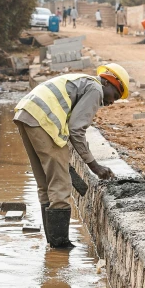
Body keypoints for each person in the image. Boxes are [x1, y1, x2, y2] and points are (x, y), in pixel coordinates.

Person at [13, 64, 130, 248]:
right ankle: (60, 248)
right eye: (115, 96)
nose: (112, 102)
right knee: (60, 186)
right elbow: (77, 130)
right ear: (108, 83)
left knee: (45, 184)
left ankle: (52, 243)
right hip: (43, 121)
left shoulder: (83, 81)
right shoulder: (95, 89)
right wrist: (95, 166)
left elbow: (71, 127)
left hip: (26, 114)